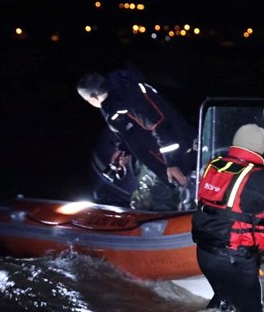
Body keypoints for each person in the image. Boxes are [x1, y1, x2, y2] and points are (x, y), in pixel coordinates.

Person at [191, 123, 264, 312]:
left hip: (205, 252)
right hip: (235, 259)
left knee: (223, 304)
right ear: (260, 148)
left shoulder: (216, 165)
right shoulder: (259, 178)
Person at [77, 69, 195, 212]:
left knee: (155, 205)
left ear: (92, 98)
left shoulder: (128, 98)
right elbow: (131, 130)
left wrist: (172, 164)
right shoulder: (113, 101)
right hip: (157, 161)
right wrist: (123, 150)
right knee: (145, 202)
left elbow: (162, 127)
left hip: (172, 159)